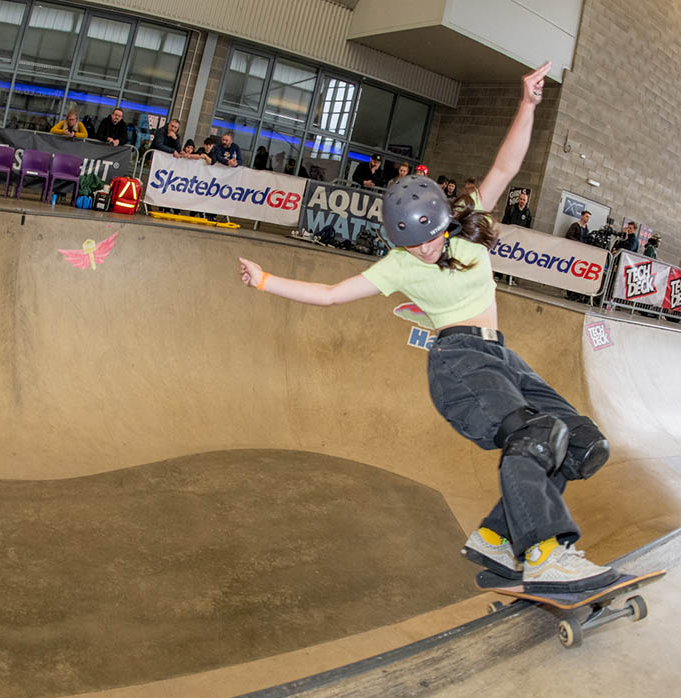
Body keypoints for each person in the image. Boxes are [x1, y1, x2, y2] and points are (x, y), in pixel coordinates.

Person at [236, 62, 617, 592]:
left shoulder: (467, 225)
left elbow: (506, 167)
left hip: (502, 358)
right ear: (397, 242)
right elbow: (329, 295)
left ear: (444, 218)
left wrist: (528, 103)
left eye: (432, 237)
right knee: (533, 437)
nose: (426, 249)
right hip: (458, 362)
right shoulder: (397, 266)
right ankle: (545, 553)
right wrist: (264, 280)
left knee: (578, 441)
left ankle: (496, 539)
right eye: (414, 244)